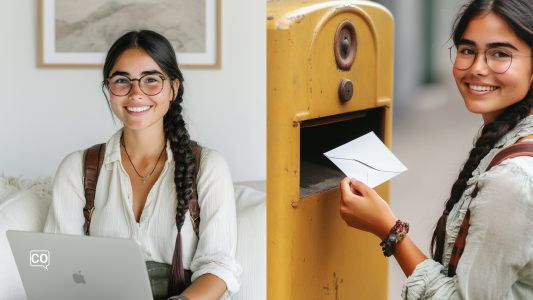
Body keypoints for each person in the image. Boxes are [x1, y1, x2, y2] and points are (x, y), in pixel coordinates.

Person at [339, 0, 533, 299]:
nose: (478, 68)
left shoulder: (511, 182)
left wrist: (390, 231)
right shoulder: (511, 143)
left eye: (500, 54)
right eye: (467, 50)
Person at [44, 30, 241, 300]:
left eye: (150, 80)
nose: (136, 93)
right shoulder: (77, 168)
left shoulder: (208, 166)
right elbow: (58, 265)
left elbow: (219, 267)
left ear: (174, 87)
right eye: (122, 81)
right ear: (108, 89)